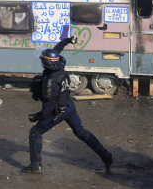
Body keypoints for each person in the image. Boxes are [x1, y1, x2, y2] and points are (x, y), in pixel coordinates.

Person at [21, 37, 113, 174]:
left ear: (47, 62)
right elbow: (56, 51)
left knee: (35, 133)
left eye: (42, 60)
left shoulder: (49, 82)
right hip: (69, 105)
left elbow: (48, 109)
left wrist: (37, 116)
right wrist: (66, 41)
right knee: (81, 131)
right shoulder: (60, 66)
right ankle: (106, 156)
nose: (41, 62)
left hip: (57, 110)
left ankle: (35, 166)